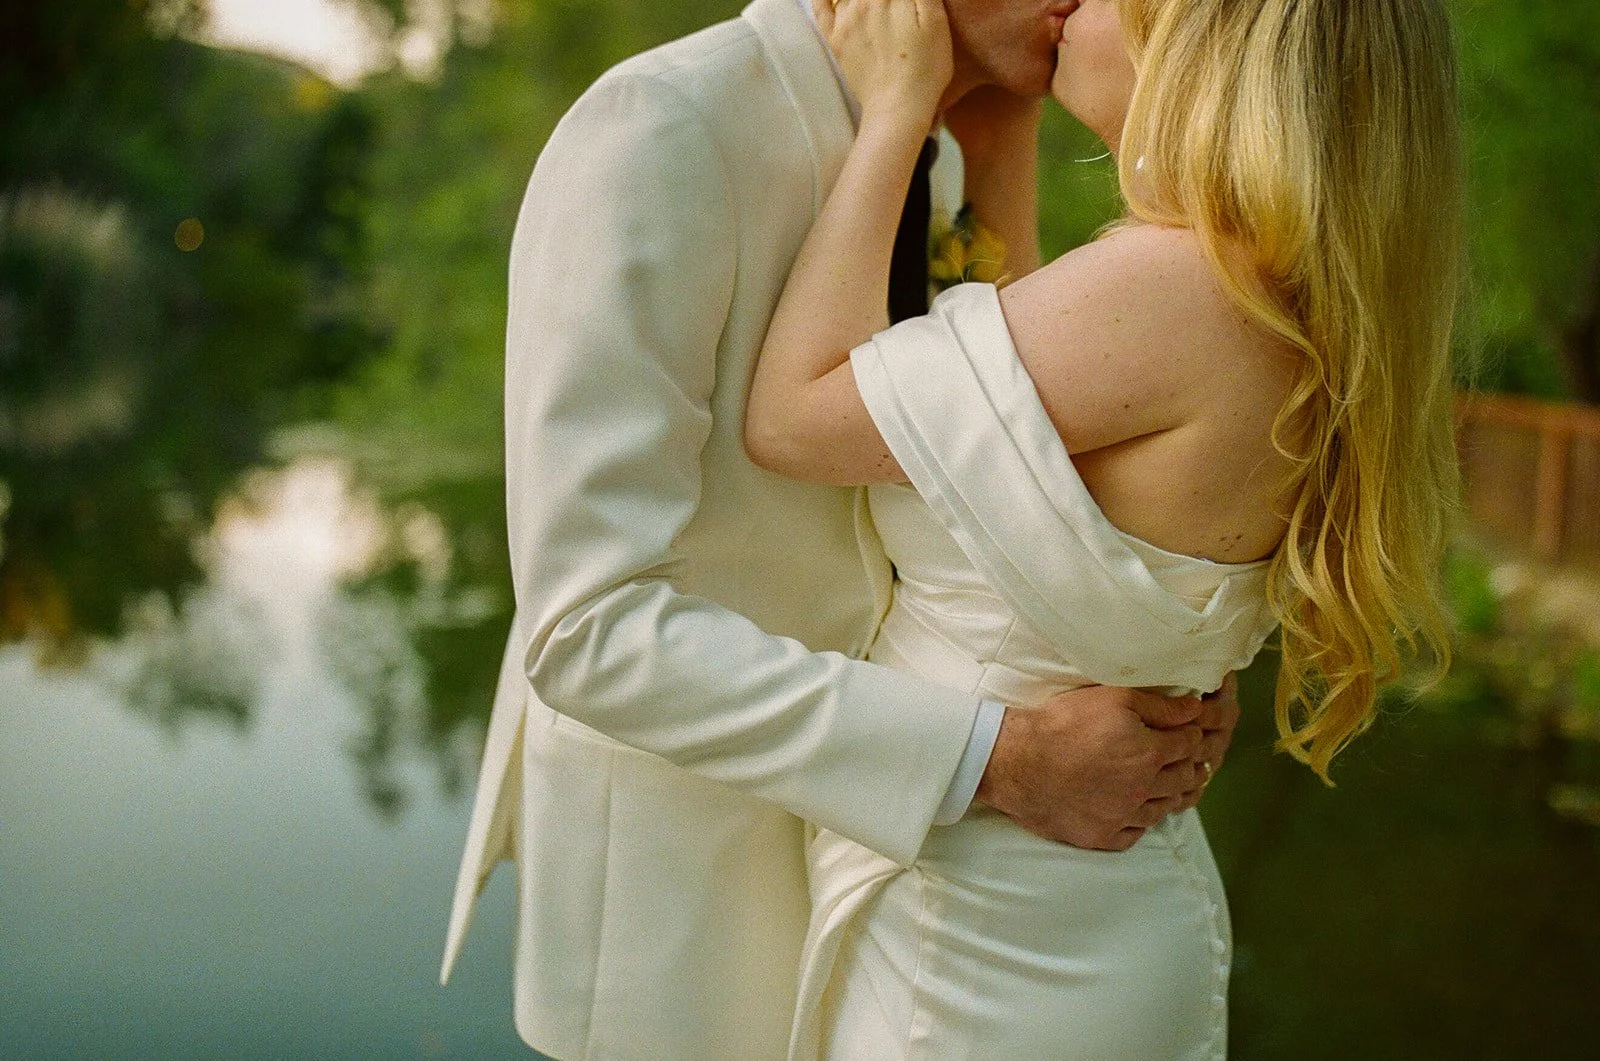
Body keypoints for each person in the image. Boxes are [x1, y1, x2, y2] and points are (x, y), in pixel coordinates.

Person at [438, 0, 1243, 1058]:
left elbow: (994, 464)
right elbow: (587, 626)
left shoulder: (936, 154)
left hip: (907, 901)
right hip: (690, 903)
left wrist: (1163, 658)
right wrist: (1001, 756)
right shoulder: (660, 126)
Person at [744, 0, 1463, 1055]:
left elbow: (794, 418)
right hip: (1077, 903)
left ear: (1199, 55)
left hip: (990, 946)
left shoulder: (1177, 286)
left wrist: (895, 110)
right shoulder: (1269, 285)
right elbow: (1019, 437)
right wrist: (999, 135)